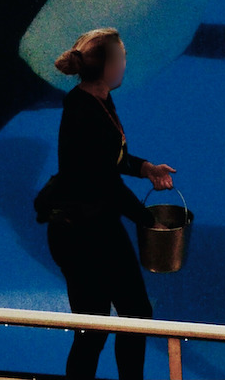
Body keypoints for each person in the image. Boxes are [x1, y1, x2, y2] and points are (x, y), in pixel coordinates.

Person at [39, 27, 176, 380]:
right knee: (104, 324)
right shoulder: (83, 110)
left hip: (96, 224)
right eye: (122, 57)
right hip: (80, 231)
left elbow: (112, 158)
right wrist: (148, 220)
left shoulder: (99, 100)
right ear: (106, 66)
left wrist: (146, 168)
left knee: (124, 318)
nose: (126, 63)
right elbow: (104, 180)